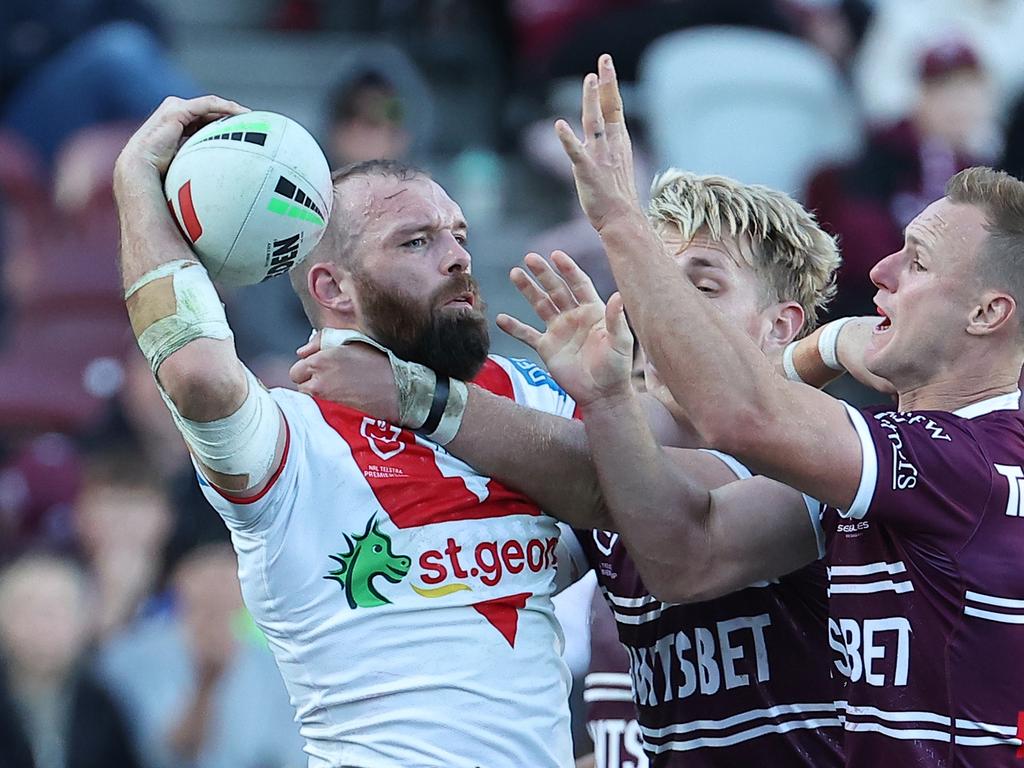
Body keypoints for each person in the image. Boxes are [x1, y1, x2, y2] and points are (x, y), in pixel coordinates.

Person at [291, 168, 875, 765]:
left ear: (781, 325)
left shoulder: (821, 455)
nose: (659, 318)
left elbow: (680, 526)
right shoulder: (621, 451)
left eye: (700, 292)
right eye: (650, 290)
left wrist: (412, 394)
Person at [552, 53, 1024, 766]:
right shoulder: (873, 458)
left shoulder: (964, 459)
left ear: (989, 312)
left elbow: (738, 421)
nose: (881, 272)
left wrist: (622, 224)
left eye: (918, 263)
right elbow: (689, 552)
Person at [114, 95, 597, 768]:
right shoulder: (291, 436)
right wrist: (137, 177)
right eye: (416, 241)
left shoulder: (525, 393)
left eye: (458, 233)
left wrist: (421, 399)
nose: (458, 257)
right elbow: (196, 375)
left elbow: (625, 496)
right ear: (332, 288)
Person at [0, 553, 142, 768]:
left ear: (84, 621)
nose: (42, 624)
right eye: (27, 607)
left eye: (58, 608)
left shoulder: (103, 703)